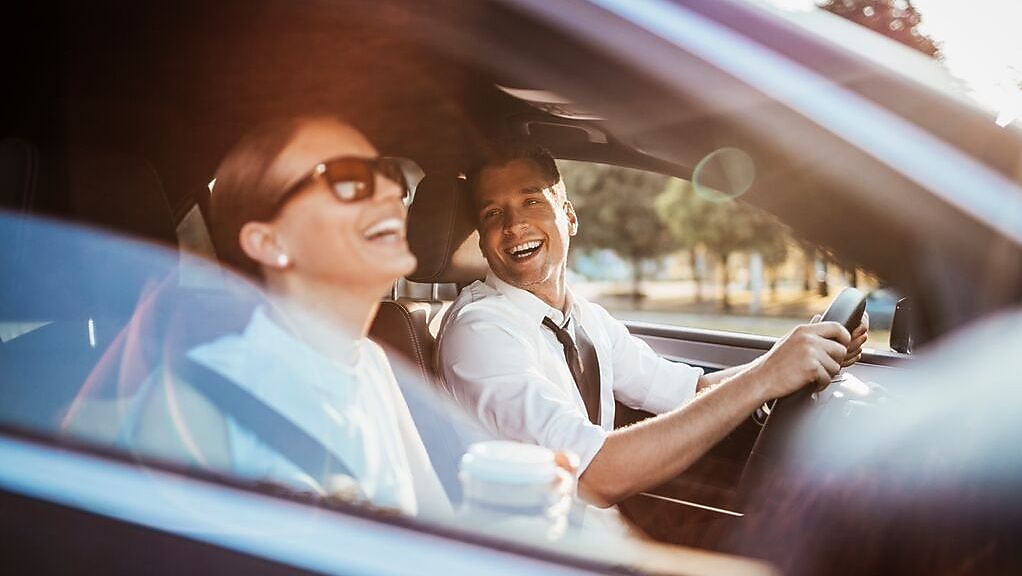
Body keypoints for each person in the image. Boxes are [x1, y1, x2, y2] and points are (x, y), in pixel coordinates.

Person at [436, 144, 868, 507]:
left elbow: (688, 391)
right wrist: (765, 377)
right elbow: (593, 476)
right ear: (481, 234)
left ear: (568, 216)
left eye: (531, 200)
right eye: (493, 213)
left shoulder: (583, 318)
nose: (513, 226)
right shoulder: (480, 332)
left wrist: (798, 356)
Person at [116, 116, 450, 517]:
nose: (393, 190)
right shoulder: (194, 404)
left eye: (388, 173)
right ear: (269, 242)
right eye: (348, 179)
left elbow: (435, 529)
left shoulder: (373, 365)